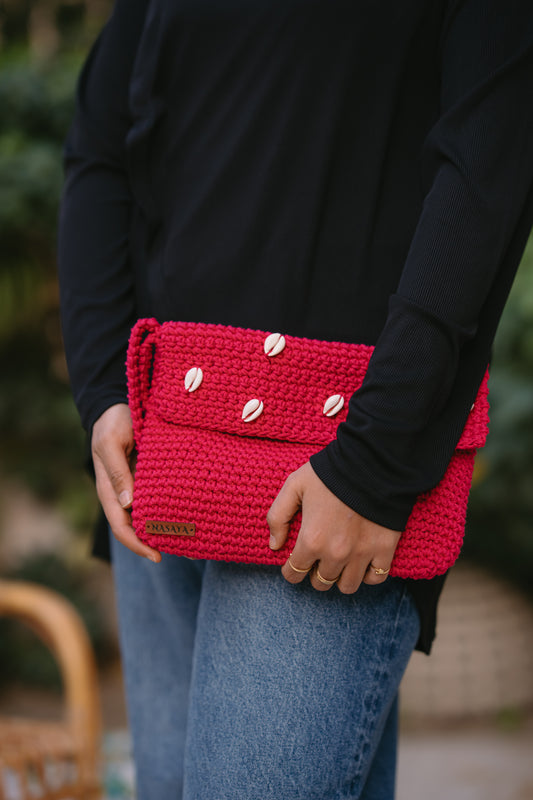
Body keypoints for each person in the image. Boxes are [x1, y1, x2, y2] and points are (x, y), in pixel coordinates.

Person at [57, 1, 533, 798]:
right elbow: (102, 143)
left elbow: (489, 170)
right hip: (156, 446)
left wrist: (375, 460)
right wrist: (105, 385)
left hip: (329, 477)